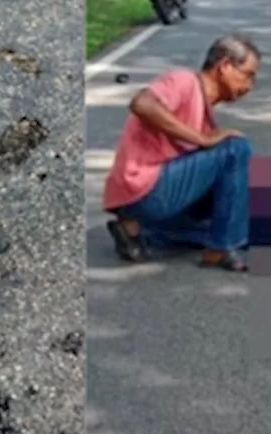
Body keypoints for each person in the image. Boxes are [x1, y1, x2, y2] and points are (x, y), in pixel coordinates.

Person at [102, 34, 260, 272]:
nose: (249, 86)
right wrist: (202, 139)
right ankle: (221, 248)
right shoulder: (184, 81)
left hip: (159, 196)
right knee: (236, 148)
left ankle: (141, 233)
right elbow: (141, 104)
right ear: (225, 66)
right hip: (145, 187)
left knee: (245, 221)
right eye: (248, 75)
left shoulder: (205, 115)